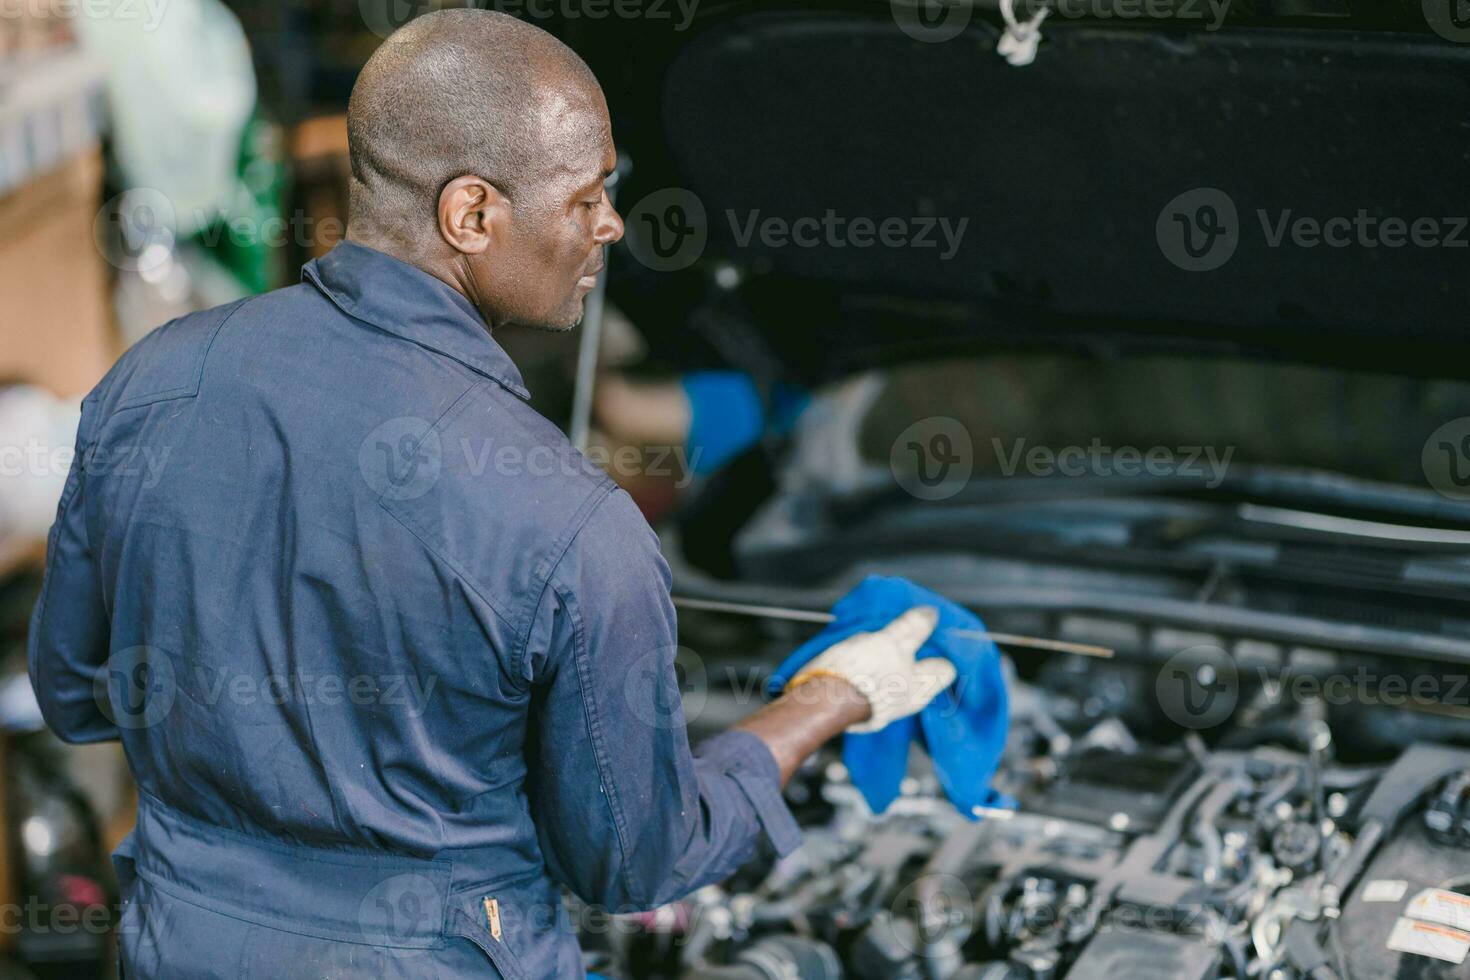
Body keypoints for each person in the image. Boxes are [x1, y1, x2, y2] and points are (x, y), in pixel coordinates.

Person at [27, 10, 955, 977]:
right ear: (471, 215)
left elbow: (74, 689)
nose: (611, 225)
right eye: (588, 194)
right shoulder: (569, 526)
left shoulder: (153, 380)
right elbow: (636, 861)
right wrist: (829, 699)